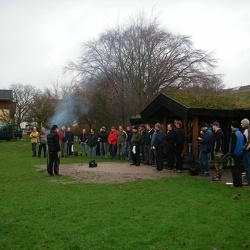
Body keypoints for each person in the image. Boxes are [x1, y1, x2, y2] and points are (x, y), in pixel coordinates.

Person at [229, 121, 244, 188]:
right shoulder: (241, 134)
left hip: (235, 154)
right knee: (238, 169)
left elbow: (233, 145)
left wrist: (230, 153)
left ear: (232, 126)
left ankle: (235, 184)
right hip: (240, 153)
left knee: (234, 170)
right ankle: (239, 183)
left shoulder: (234, 134)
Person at [241, 118, 250, 185]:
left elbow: (248, 142)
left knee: (247, 165)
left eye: (242, 123)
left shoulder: (247, 131)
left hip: (247, 151)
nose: (241, 124)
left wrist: (244, 148)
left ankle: (248, 179)